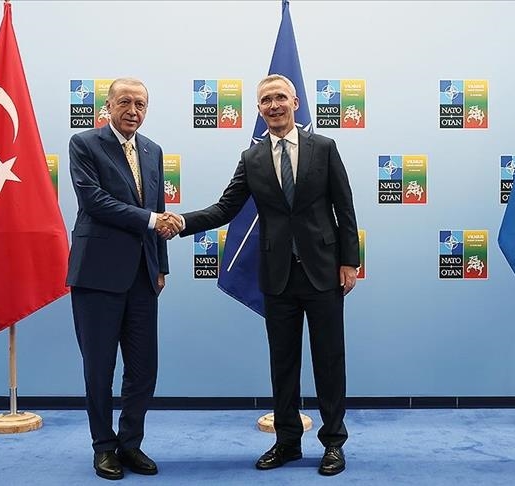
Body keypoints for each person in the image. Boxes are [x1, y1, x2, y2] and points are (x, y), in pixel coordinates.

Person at [164, 74, 359, 476]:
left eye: (280, 97)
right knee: (282, 364)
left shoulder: (324, 147)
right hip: (277, 276)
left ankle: (333, 443)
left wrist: (349, 262)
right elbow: (225, 208)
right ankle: (287, 442)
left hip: (323, 273)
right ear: (258, 109)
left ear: (295, 103)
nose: (274, 105)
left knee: (329, 361)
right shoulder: (251, 158)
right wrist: (182, 221)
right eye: (266, 100)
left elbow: (345, 207)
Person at [67, 78, 176, 480]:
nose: (133, 110)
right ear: (108, 106)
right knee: (99, 368)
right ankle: (103, 447)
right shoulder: (84, 144)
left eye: (140, 104)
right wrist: (151, 220)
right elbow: (93, 200)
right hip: (97, 274)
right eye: (125, 102)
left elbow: (158, 206)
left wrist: (160, 265)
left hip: (143, 276)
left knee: (144, 368)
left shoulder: (153, 150)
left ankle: (130, 444)